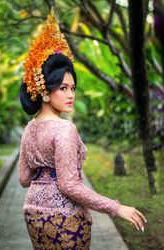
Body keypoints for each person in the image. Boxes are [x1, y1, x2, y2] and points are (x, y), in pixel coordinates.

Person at [18, 9, 147, 250]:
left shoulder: (29, 129)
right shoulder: (64, 129)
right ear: (44, 91)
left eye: (72, 88)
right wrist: (117, 207)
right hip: (64, 217)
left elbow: (24, 179)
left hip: (33, 212)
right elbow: (69, 186)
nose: (71, 95)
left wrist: (45, 172)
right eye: (63, 88)